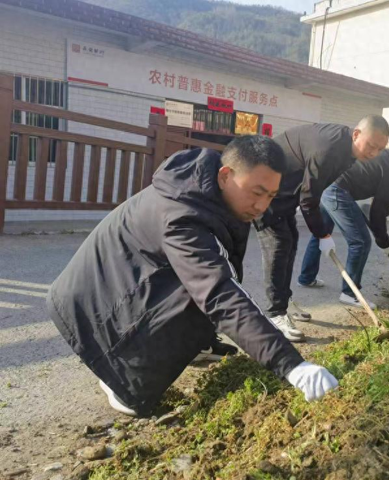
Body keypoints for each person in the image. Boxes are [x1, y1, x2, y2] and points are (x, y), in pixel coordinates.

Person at [46, 138, 338, 417]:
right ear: (225, 176)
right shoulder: (181, 215)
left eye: (270, 196)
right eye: (257, 192)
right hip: (92, 304)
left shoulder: (208, 190)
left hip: (127, 283)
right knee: (200, 291)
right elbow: (219, 294)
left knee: (208, 277)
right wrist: (291, 365)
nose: (262, 205)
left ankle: (198, 346)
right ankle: (118, 379)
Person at [254, 115, 389, 342]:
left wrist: (320, 230)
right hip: (264, 188)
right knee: (278, 246)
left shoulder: (347, 150)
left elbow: (314, 188)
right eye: (371, 146)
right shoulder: (329, 149)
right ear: (357, 134)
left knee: (290, 243)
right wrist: (322, 234)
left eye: (380, 149)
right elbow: (309, 198)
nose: (374, 153)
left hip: (284, 192)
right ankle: (274, 314)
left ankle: (283, 303)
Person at [297, 150, 389, 307]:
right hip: (338, 191)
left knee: (321, 234)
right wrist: (383, 241)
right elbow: (378, 211)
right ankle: (350, 293)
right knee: (361, 242)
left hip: (330, 184)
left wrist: (381, 237)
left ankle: (307, 278)